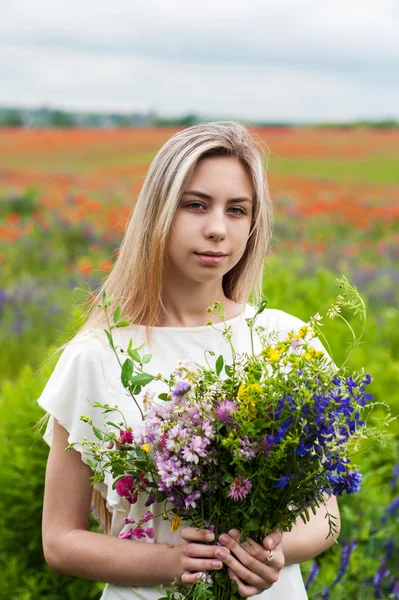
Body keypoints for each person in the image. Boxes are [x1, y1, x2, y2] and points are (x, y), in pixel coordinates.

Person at [38, 121, 340, 600]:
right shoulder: (98, 356)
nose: (217, 228)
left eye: (237, 210)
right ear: (159, 212)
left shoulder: (287, 341)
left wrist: (273, 555)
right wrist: (176, 563)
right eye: (195, 204)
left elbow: (326, 515)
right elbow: (60, 540)